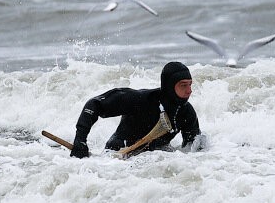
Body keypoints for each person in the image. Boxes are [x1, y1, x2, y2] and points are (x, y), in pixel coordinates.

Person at [70, 61, 206, 158]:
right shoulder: (140, 100)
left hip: (154, 163)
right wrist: (80, 140)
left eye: (190, 85)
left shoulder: (186, 112)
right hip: (116, 160)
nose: (189, 91)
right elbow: (94, 105)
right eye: (183, 85)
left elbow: (193, 148)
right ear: (169, 86)